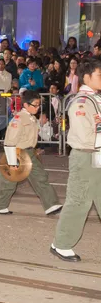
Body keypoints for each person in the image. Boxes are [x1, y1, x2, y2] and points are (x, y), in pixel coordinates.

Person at [51, 57, 101, 262]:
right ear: (86, 77)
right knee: (78, 201)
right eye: (99, 75)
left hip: (96, 156)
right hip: (86, 156)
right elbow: (84, 136)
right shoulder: (81, 102)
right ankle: (61, 244)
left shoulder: (95, 99)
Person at [0, 90, 62, 215]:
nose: (38, 107)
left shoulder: (30, 117)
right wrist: (12, 162)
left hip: (28, 153)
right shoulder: (18, 119)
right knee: (9, 181)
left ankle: (52, 205)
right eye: (35, 105)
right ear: (26, 105)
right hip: (16, 153)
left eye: (39, 104)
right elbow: (9, 142)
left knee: (40, 177)